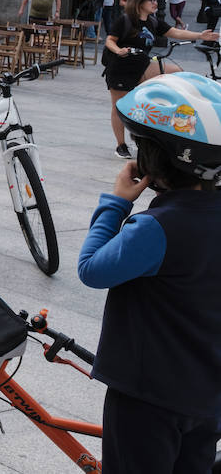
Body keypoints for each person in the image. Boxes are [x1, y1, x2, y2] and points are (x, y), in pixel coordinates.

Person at [79, 74, 221, 473]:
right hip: (207, 394)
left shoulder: (158, 228)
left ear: (154, 161)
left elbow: (92, 269)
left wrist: (115, 203)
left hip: (148, 398)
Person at [103, 0, 218, 159]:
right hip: (121, 68)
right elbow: (110, 40)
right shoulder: (125, 20)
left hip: (142, 66)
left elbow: (175, 32)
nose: (155, 2)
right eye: (151, 0)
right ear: (139, 2)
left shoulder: (152, 21)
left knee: (176, 74)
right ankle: (121, 145)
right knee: (118, 106)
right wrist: (118, 50)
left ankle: (159, 131)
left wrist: (200, 36)